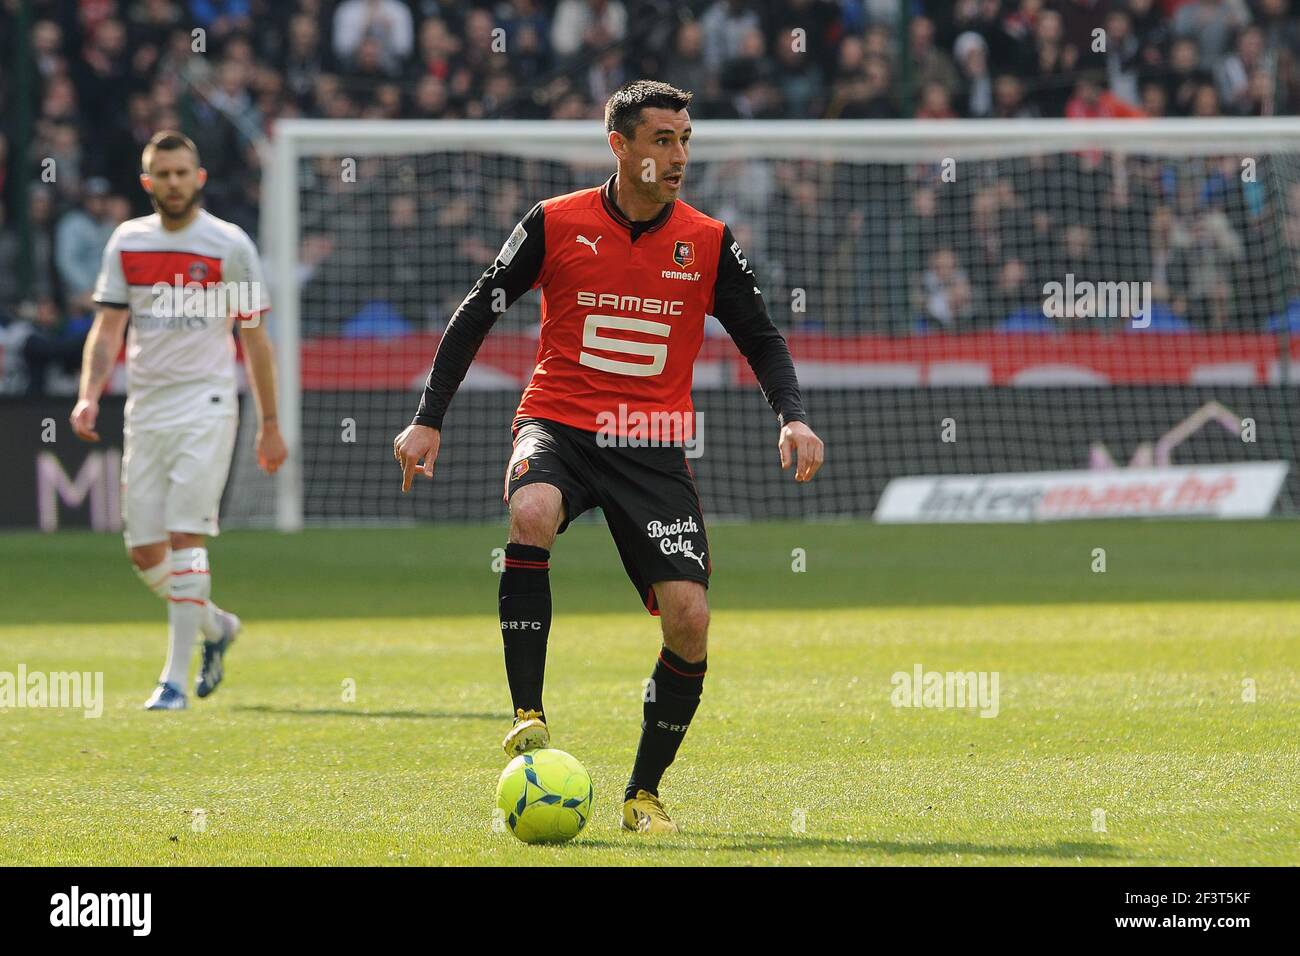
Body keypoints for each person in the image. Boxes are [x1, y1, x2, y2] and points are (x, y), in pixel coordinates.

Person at [393, 80, 824, 833]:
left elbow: (762, 336)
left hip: (652, 446)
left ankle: (643, 794)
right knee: (531, 509)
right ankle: (527, 712)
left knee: (689, 620)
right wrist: (428, 419)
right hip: (558, 423)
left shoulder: (709, 240)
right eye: (663, 139)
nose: (679, 155)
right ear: (619, 145)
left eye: (686, 139)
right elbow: (476, 311)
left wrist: (793, 417)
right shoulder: (555, 223)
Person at [70, 131, 287, 710]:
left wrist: (269, 421)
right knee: (145, 552)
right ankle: (217, 627)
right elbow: (109, 328)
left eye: (180, 173)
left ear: (199, 178)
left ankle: (171, 680)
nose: (172, 183)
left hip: (208, 402)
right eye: (161, 175)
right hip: (146, 407)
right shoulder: (127, 242)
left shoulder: (228, 244)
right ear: (147, 183)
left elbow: (255, 338)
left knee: (185, 535)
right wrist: (89, 394)